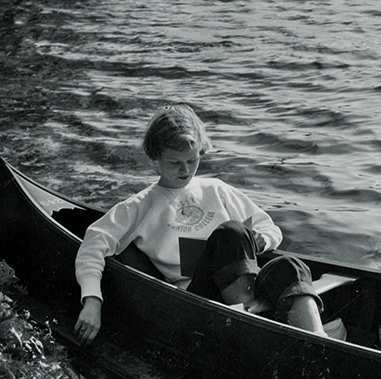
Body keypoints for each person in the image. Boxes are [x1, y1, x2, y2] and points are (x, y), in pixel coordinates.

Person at [74, 103, 326, 343]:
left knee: (290, 265)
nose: (185, 170)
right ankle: (249, 324)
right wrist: (92, 301)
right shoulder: (139, 206)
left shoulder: (216, 189)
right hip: (196, 300)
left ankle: (319, 342)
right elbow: (92, 245)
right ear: (156, 158)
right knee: (230, 233)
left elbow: (270, 228)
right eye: (175, 163)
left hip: (247, 287)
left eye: (192, 161)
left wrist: (263, 239)